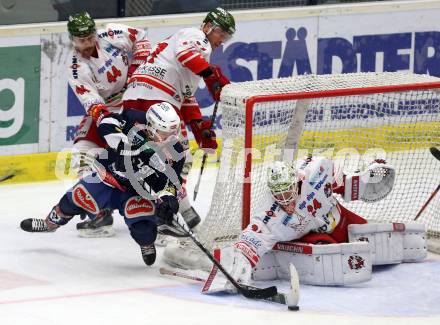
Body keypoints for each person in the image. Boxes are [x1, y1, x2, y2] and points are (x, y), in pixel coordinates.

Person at [202, 156, 425, 292]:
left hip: (340, 219)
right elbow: (248, 242)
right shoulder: (269, 217)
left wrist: (366, 178)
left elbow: (344, 185)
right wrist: (233, 263)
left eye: (288, 191)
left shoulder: (316, 170)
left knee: (370, 236)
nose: (285, 199)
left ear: (296, 181)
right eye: (278, 195)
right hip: (314, 237)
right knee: (331, 250)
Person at [20, 102, 186, 266]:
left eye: (173, 131)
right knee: (74, 199)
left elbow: (171, 182)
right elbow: (106, 122)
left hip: (135, 192)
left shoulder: (175, 150)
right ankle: (50, 223)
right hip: (108, 178)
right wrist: (122, 146)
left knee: (144, 230)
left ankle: (146, 243)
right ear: (151, 126)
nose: (169, 137)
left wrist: (168, 198)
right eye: (164, 131)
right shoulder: (133, 118)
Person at [121, 7, 235, 235]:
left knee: (152, 159)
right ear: (208, 26)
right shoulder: (196, 37)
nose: (222, 40)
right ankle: (165, 215)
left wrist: (199, 127)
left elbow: (185, 95)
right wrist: (211, 75)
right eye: (221, 33)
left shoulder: (188, 50)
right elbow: (186, 56)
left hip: (135, 102)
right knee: (176, 157)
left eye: (226, 36)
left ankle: (175, 211)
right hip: (156, 100)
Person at [66, 12, 152, 237]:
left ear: (95, 33)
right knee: (82, 152)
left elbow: (141, 38)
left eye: (88, 37)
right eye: (79, 40)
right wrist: (110, 124)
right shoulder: (76, 68)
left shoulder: (111, 33)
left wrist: (137, 70)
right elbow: (93, 104)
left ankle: (163, 215)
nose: (84, 44)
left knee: (152, 153)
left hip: (138, 96)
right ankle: (100, 212)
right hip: (110, 108)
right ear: (72, 39)